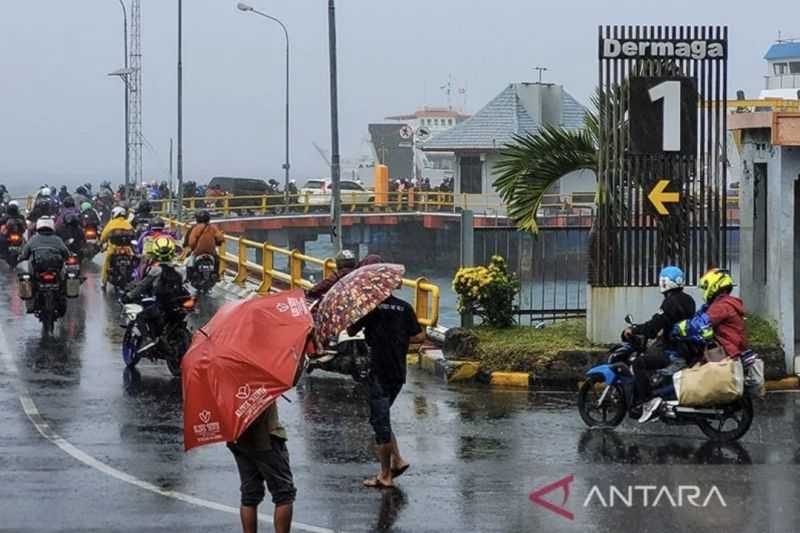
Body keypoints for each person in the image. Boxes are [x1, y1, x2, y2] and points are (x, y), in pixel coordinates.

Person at [347, 292, 426, 489]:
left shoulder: (369, 309)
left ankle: (384, 475)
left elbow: (350, 331)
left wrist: (356, 311)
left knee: (379, 422)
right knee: (382, 416)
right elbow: (419, 336)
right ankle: (397, 460)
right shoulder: (404, 306)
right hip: (398, 372)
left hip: (378, 372)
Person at [622, 265, 696, 423]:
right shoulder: (688, 300)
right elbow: (671, 322)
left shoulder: (670, 302)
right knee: (653, 353)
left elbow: (654, 326)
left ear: (664, 282)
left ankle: (648, 401)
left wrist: (634, 330)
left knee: (639, 364)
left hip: (674, 352)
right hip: (685, 349)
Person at [227, 402, 296, 533]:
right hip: (266, 438)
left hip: (238, 436)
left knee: (249, 495)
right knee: (284, 494)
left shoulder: (220, 381)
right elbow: (290, 381)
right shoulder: (260, 381)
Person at [672, 268, 747, 359]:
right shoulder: (723, 303)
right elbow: (700, 316)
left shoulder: (721, 306)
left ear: (713, 286)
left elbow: (701, 324)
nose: (704, 291)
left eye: (705, 287)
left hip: (728, 351)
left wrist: (679, 327)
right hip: (731, 349)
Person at [19, 217, 70, 313]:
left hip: (39, 270)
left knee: (30, 280)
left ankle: (32, 303)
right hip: (55, 270)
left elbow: (24, 254)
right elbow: (66, 253)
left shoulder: (33, 239)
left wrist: (20, 257)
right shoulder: (57, 240)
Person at [99, 207, 135, 289]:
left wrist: (101, 242)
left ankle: (103, 282)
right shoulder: (127, 223)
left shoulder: (111, 223)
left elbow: (103, 236)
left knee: (107, 262)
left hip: (114, 249)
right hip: (128, 249)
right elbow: (133, 235)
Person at [183, 210, 224, 277]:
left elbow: (191, 241)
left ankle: (189, 276)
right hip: (211, 251)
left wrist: (192, 248)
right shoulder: (213, 227)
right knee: (217, 259)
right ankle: (216, 275)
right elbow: (220, 238)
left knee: (189, 261)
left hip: (197, 251)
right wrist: (218, 242)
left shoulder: (196, 228)